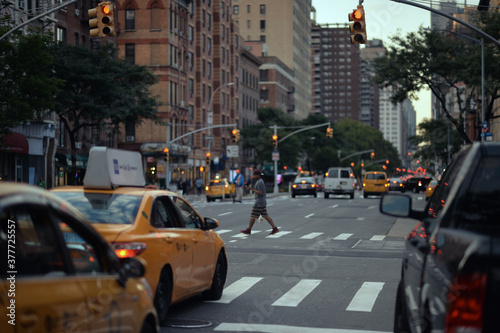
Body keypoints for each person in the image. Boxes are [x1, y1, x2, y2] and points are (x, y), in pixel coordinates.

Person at [240, 169, 279, 235]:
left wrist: (251, 189)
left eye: (255, 175)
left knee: (253, 215)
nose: (254, 176)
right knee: (266, 216)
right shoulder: (259, 181)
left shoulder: (260, 182)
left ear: (258, 175)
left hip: (259, 202)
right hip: (261, 202)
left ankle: (248, 230)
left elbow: (260, 192)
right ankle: (274, 228)